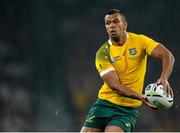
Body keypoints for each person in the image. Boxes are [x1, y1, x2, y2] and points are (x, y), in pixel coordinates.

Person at [80, 9, 175, 132]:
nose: (112, 25)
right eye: (108, 23)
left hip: (126, 110)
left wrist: (164, 78)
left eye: (115, 21)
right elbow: (115, 85)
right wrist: (140, 97)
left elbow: (167, 56)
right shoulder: (103, 53)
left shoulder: (140, 41)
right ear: (106, 28)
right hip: (104, 104)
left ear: (125, 25)